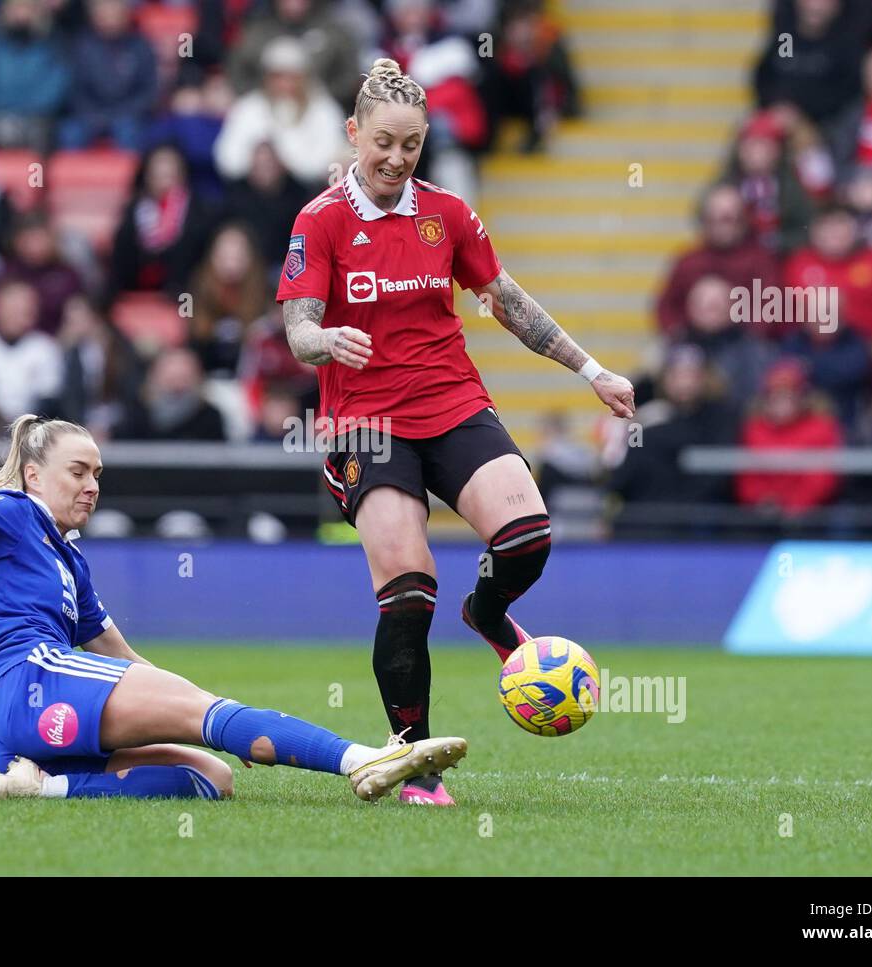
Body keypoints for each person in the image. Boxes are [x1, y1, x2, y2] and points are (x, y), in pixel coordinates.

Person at [277, 59, 635, 806]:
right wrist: (326, 341)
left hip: (451, 402)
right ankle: (415, 760)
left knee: (529, 534)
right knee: (409, 589)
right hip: (365, 424)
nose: (395, 158)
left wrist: (591, 369)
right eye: (382, 141)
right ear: (353, 133)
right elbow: (297, 327)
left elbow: (503, 299)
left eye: (411, 144)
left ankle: (488, 611)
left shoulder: (447, 212)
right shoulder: (321, 221)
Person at [0, 411, 467, 802]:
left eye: (98, 474)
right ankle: (362, 760)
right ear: (33, 475)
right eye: (77, 472)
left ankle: (37, 786)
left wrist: (218, 720)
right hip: (29, 680)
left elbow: (120, 655)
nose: (92, 485)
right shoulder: (11, 510)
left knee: (210, 774)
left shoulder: (70, 562)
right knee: (205, 714)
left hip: (28, 723)